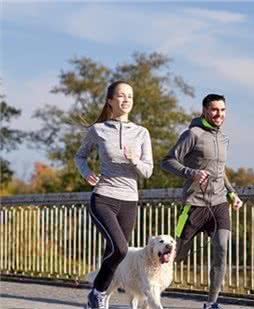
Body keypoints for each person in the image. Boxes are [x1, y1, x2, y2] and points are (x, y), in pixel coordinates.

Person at [75, 80, 153, 309]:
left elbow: (147, 171)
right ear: (110, 101)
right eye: (121, 95)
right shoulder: (98, 130)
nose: (126, 99)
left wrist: (134, 159)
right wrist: (87, 172)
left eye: (130, 96)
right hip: (103, 197)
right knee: (120, 248)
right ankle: (98, 293)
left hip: (129, 200)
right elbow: (80, 156)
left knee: (113, 252)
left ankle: (96, 295)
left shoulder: (141, 133)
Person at [161, 93, 243, 309]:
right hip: (193, 205)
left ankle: (212, 303)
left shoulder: (223, 138)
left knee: (222, 248)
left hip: (218, 204)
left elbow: (220, 170)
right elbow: (167, 161)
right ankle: (147, 290)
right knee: (174, 255)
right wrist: (191, 173)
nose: (219, 114)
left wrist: (231, 193)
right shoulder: (192, 134)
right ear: (205, 110)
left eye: (223, 110)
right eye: (215, 109)